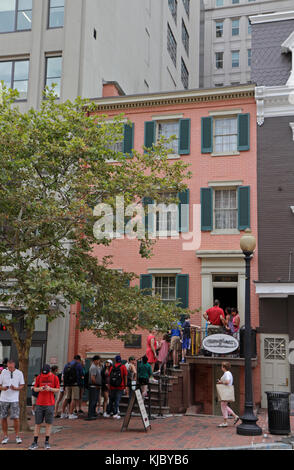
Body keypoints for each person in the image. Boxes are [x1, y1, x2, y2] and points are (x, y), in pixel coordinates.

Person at [28, 364, 60, 450]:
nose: (44, 376)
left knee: (48, 423)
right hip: (40, 403)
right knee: (38, 423)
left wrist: (50, 389)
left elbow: (57, 389)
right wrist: (40, 388)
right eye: (43, 374)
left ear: (49, 371)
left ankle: (47, 441)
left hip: (50, 403)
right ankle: (35, 442)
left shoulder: (54, 378)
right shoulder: (39, 377)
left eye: (46, 374)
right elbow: (34, 388)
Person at [0, 359, 25, 445]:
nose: (10, 368)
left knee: (16, 418)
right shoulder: (3, 372)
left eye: (11, 366)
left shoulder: (19, 373)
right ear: (7, 365)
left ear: (14, 365)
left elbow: (22, 385)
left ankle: (17, 436)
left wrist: (16, 388)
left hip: (14, 399)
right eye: (8, 366)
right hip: (4, 398)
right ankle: (6, 436)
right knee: (3, 417)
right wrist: (3, 388)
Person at [217, 362, 239, 428]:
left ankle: (225, 422)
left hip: (225, 391)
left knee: (223, 406)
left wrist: (221, 382)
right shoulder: (229, 373)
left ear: (224, 367)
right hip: (227, 391)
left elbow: (227, 382)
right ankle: (234, 416)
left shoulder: (226, 373)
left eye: (222, 366)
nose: (221, 367)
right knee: (224, 405)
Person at [61, 355, 84, 419]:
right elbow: (82, 375)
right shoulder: (78, 365)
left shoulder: (67, 364)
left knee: (66, 398)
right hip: (75, 384)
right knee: (74, 398)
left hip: (67, 384)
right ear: (79, 359)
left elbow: (63, 374)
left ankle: (62, 413)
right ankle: (70, 413)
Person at [86, 355, 102, 420]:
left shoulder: (96, 367)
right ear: (95, 360)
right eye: (98, 360)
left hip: (96, 386)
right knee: (93, 400)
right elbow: (93, 378)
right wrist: (97, 384)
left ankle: (93, 413)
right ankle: (91, 414)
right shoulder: (93, 368)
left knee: (94, 400)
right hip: (93, 386)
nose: (99, 361)